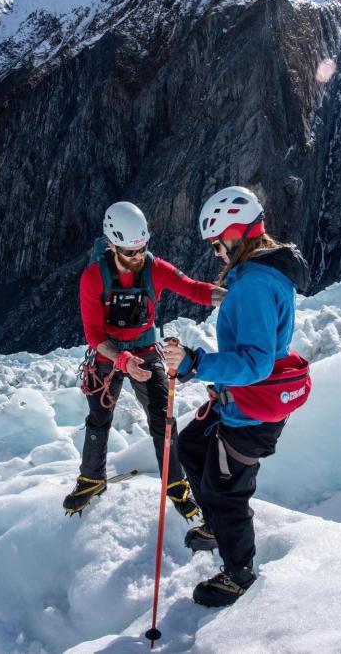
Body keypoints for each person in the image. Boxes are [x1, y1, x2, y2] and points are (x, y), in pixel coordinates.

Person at [164, 186, 310, 608]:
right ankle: (215, 525)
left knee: (227, 492)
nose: (215, 252)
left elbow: (256, 364)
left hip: (250, 414)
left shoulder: (254, 286)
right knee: (192, 445)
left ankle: (238, 574)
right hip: (241, 401)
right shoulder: (258, 275)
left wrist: (196, 363)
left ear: (232, 233)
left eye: (216, 243)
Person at [64, 201, 225, 518]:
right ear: (111, 246)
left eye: (142, 249)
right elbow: (95, 334)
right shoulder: (93, 277)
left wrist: (232, 295)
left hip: (144, 348)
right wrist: (122, 361)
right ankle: (91, 478)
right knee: (99, 418)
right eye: (129, 252)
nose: (138, 258)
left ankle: (177, 485)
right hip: (111, 352)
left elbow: (194, 289)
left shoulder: (154, 269)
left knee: (162, 420)